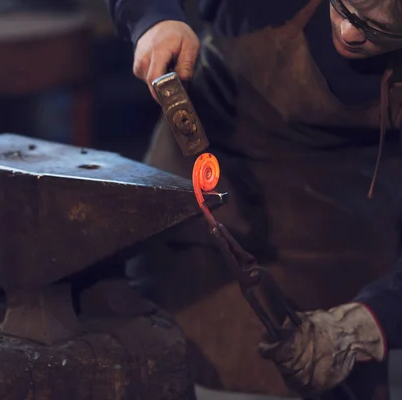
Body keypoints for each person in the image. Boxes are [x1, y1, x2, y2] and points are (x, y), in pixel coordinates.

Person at [106, 0, 402, 398]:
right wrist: (153, 20)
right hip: (201, 182)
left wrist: (371, 321)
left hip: (333, 241)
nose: (349, 34)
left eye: (380, 29)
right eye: (345, 8)